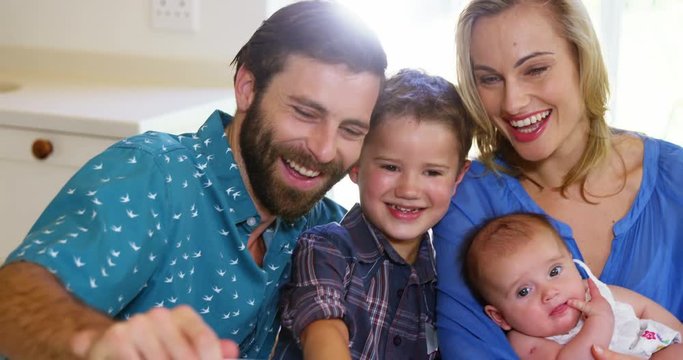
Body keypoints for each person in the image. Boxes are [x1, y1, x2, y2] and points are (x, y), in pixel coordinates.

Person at [0, 1, 387, 359]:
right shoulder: (154, 178)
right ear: (247, 88)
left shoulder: (326, 230)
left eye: (350, 131)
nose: (323, 149)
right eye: (305, 112)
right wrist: (92, 340)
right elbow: (12, 298)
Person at [433, 0, 683, 358]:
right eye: (489, 79)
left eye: (535, 69)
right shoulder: (467, 202)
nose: (513, 102)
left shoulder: (676, 179)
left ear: (582, 59)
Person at [271, 69, 473, 360]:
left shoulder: (442, 281)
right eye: (390, 167)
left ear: (458, 177)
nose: (408, 189)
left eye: (432, 172)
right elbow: (324, 332)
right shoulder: (326, 249)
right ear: (356, 164)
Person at [464, 213, 682, 359]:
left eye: (554, 272)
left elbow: (645, 308)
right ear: (500, 317)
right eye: (524, 291)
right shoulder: (526, 341)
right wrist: (600, 321)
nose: (549, 293)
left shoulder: (594, 292)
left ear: (570, 261)